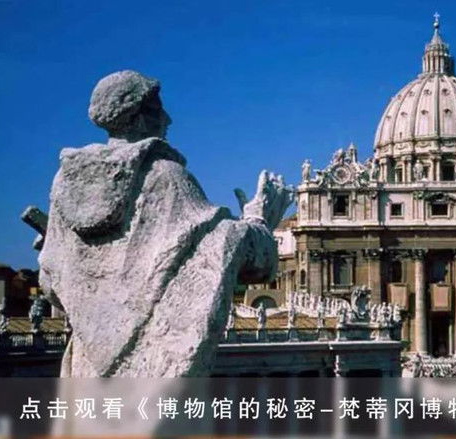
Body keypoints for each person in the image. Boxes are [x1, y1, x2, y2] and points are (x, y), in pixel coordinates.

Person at [37, 70, 292, 377]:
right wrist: (258, 218)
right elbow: (229, 246)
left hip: (87, 369)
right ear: (140, 117)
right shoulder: (164, 176)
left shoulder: (65, 186)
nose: (168, 119)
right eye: (160, 110)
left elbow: (50, 285)